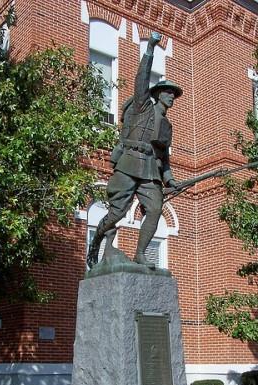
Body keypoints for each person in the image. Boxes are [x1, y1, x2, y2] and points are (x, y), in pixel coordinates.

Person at [87, 31, 182, 269]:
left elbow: (164, 157)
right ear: (158, 94)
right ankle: (98, 239)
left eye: (173, 94)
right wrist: (149, 47)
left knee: (155, 209)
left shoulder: (168, 125)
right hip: (130, 162)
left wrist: (170, 179)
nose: (172, 97)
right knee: (117, 212)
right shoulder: (143, 107)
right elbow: (142, 78)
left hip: (150, 170)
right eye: (168, 92)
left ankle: (140, 254)